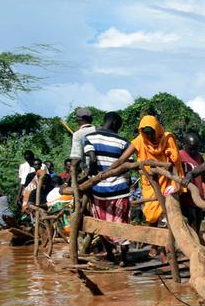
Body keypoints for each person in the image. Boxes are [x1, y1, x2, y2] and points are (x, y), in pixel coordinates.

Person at [108, 114, 183, 226]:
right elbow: (122, 159)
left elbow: (175, 160)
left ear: (156, 129)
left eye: (151, 132)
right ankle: (154, 240)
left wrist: (171, 156)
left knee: (167, 213)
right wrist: (107, 171)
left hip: (166, 180)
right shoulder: (140, 140)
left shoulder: (167, 138)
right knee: (151, 213)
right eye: (145, 132)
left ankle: (166, 240)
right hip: (149, 181)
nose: (148, 136)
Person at [83, 111, 133, 263]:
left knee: (102, 224)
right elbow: (128, 166)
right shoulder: (124, 142)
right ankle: (124, 257)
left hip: (99, 190)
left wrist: (93, 176)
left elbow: (91, 161)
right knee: (121, 224)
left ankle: (110, 254)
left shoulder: (90, 138)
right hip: (119, 190)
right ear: (116, 123)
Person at [178, 131, 205, 230]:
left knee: (198, 222)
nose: (194, 151)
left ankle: (196, 243)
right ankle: (192, 244)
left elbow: (203, 175)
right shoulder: (179, 155)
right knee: (192, 221)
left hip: (199, 196)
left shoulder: (199, 157)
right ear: (184, 145)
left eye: (196, 148)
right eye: (191, 148)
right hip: (186, 196)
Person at [68, 108, 96, 173]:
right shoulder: (99, 130)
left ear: (79, 119)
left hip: (90, 173)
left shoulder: (77, 134)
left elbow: (75, 159)